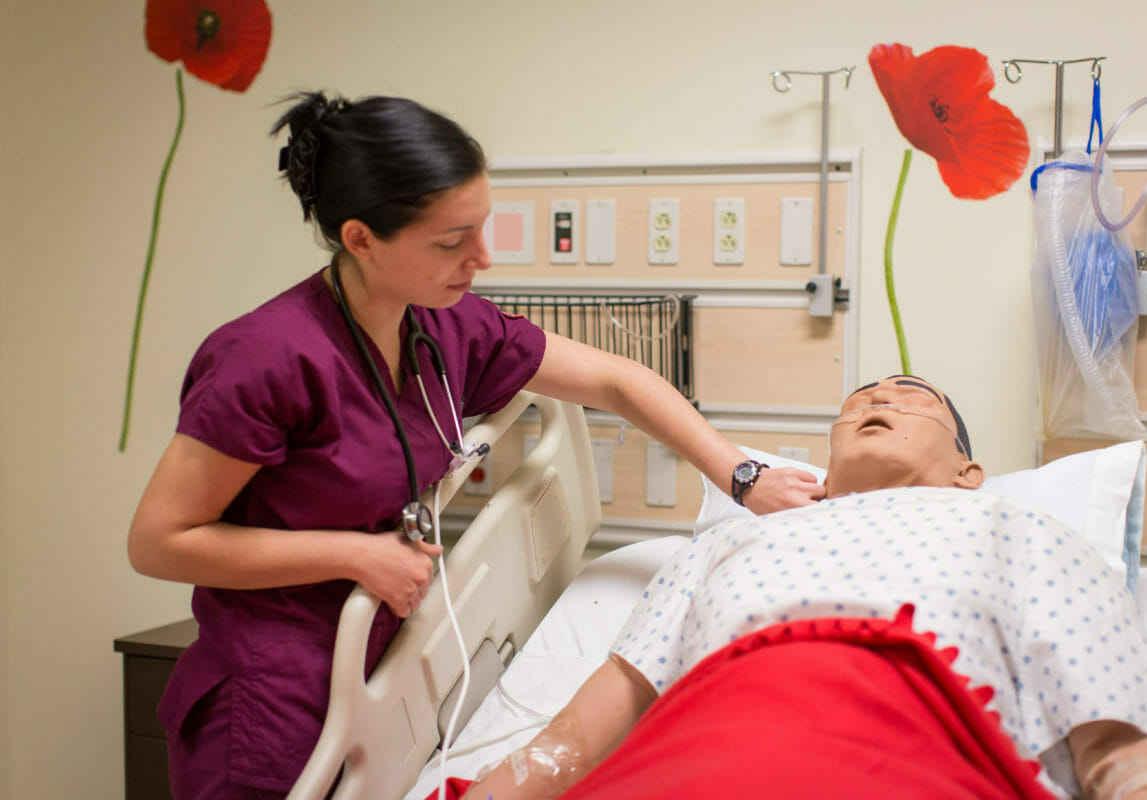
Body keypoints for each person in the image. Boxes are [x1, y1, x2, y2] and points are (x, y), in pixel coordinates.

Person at [125, 91, 825, 800]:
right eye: (451, 240)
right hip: (268, 694)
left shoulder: (444, 328)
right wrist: (353, 553)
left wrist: (741, 474)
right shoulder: (267, 357)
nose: (481, 259)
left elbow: (614, 381)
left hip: (378, 665)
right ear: (362, 238)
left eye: (483, 228)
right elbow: (159, 540)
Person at [453, 375, 1147, 800]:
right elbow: (573, 741)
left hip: (912, 756)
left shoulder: (1021, 532)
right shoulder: (730, 542)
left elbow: (1120, 746)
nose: (878, 399)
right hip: (693, 758)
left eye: (912, 397)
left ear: (968, 475)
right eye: (860, 398)